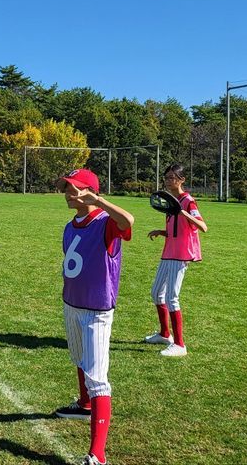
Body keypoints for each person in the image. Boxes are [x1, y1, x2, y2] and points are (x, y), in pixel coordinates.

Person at [52, 168, 133, 465]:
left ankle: (97, 454)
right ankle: (84, 404)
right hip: (71, 303)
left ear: (88, 191)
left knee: (98, 378)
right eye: (66, 187)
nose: (66, 193)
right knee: (79, 359)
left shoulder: (105, 223)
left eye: (72, 188)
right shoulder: (70, 225)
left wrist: (99, 201)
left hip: (96, 310)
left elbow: (128, 222)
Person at [144, 164, 208, 358]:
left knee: (172, 297)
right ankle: (165, 334)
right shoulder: (172, 201)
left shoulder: (188, 201)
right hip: (168, 252)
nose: (169, 180)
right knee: (156, 293)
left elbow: (203, 226)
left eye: (173, 177)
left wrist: (183, 212)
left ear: (182, 180)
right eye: (167, 177)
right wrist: (162, 231)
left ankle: (180, 344)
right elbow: (177, 229)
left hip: (180, 255)